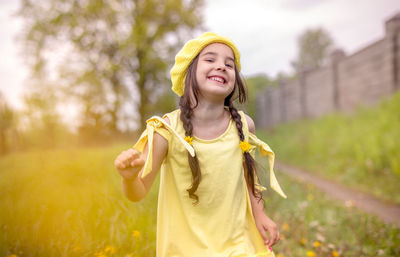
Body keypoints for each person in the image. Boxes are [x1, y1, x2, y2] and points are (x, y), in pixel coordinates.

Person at [114, 32, 287, 257]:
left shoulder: (244, 126)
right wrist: (129, 177)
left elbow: (248, 177)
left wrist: (260, 214)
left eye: (229, 64)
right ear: (188, 72)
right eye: (210, 59)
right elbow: (137, 192)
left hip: (238, 245)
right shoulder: (166, 130)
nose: (221, 66)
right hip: (186, 250)